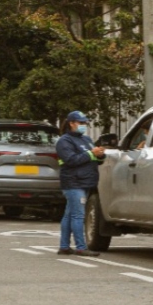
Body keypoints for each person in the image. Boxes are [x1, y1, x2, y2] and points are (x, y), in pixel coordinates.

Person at [55, 110, 105, 256]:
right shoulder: (64, 141)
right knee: (78, 215)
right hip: (73, 182)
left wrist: (101, 155)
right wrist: (91, 154)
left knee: (69, 214)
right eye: (81, 123)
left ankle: (64, 246)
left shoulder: (86, 139)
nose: (84, 125)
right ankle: (81, 247)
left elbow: (93, 158)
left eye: (85, 123)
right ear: (71, 123)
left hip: (86, 182)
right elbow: (71, 160)